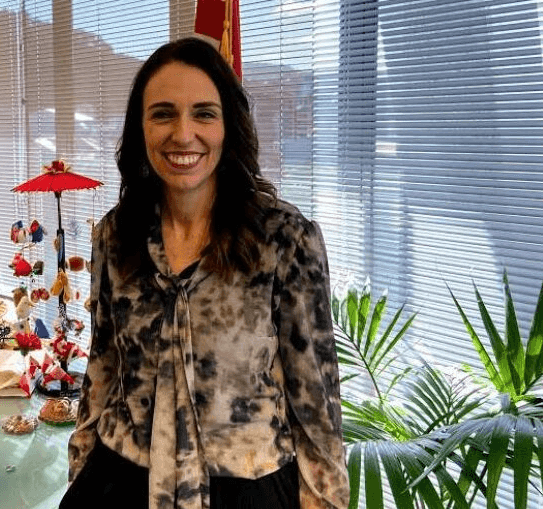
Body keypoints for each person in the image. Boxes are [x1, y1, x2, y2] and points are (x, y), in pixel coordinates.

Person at [60, 37, 349, 509]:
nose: (183, 133)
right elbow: (103, 367)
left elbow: (316, 404)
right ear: (141, 128)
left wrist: (326, 500)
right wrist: (80, 468)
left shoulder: (284, 240)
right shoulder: (115, 236)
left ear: (227, 127)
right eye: (163, 113)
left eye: (203, 113)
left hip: (245, 487)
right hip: (120, 479)